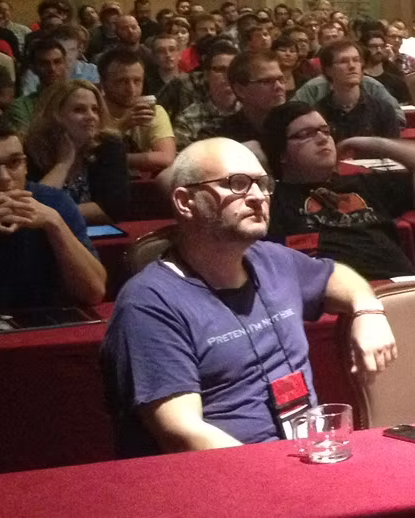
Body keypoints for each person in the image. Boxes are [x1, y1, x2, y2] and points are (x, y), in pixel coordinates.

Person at [100, 138, 396, 456]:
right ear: (186, 202)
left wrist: (367, 310)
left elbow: (337, 276)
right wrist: (273, 476)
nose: (257, 197)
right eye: (238, 184)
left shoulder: (273, 260)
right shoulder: (149, 304)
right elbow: (182, 432)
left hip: (306, 455)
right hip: (227, 480)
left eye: (262, 184)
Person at [263, 103, 415, 280]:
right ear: (281, 154)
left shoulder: (363, 184)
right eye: (306, 134)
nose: (323, 139)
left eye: (325, 130)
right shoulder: (272, 203)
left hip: (399, 289)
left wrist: (373, 143)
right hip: (335, 302)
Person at [0, 115, 103, 313]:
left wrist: (56, 225)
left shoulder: (53, 204)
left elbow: (94, 292)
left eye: (15, 162)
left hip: (38, 330)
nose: (4, 178)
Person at [24, 80, 131, 225]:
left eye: (95, 109)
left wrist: (53, 213)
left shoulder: (109, 146)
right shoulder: (32, 148)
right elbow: (33, 207)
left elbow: (113, 210)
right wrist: (63, 164)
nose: (91, 116)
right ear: (55, 114)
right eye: (79, 110)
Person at [99, 48, 176, 174]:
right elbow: (88, 157)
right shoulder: (91, 111)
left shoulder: (153, 111)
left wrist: (112, 158)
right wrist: (122, 126)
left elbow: (166, 158)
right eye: (122, 81)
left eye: (137, 81)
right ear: (103, 83)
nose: (131, 89)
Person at [311, 40, 401, 143]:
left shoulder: (383, 110)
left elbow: (394, 153)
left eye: (356, 60)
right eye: (343, 61)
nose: (352, 66)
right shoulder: (319, 113)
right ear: (328, 70)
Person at [205, 50, 288, 147]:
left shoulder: (299, 123)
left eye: (281, 79)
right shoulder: (223, 138)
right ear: (240, 90)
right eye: (266, 81)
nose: (279, 87)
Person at [172, 43, 240, 148]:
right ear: (206, 75)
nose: (228, 75)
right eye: (220, 70)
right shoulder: (187, 119)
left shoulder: (251, 110)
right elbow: (183, 161)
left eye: (233, 70)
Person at [361, 31, 410, 105]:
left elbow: (406, 102)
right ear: (364, 48)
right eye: (373, 46)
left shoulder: (393, 72)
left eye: (382, 46)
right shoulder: (358, 75)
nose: (379, 50)